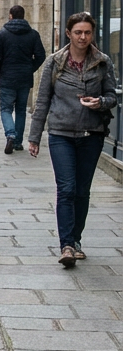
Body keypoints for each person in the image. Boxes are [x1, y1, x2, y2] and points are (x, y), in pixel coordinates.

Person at [27, 13, 119, 268]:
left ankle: (76, 240)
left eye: (87, 32)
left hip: (91, 135)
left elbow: (112, 96)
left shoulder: (102, 62)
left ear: (92, 35)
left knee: (81, 191)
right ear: (68, 34)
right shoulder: (55, 62)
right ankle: (66, 245)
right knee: (66, 189)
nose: (83, 37)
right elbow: (42, 101)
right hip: (61, 134)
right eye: (78, 32)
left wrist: (100, 102)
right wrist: (34, 137)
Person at [0, 5, 47, 154]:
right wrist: (30, 68)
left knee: (6, 108)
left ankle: (10, 134)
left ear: (10, 16)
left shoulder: (3, 33)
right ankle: (17, 142)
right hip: (24, 77)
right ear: (23, 15)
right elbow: (40, 55)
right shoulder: (33, 34)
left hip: (7, 76)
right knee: (21, 109)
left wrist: (0, 70)